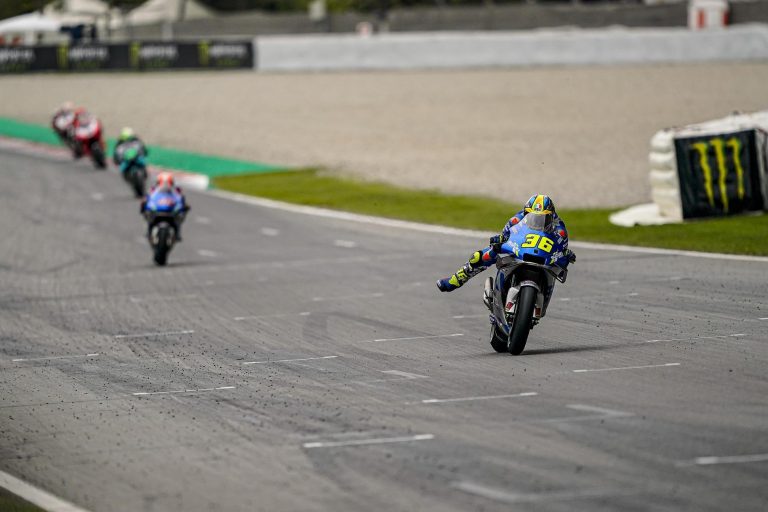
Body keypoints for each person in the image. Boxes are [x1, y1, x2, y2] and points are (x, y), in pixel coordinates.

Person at [437, 194, 575, 292]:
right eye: (532, 216)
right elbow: (505, 236)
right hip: (520, 249)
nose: (537, 221)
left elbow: (562, 250)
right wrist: (499, 241)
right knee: (479, 257)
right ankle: (456, 280)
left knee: (556, 269)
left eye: (543, 218)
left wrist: (566, 255)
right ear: (526, 213)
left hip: (541, 256)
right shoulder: (516, 219)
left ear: (551, 215)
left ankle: (544, 293)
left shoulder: (560, 228)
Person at [140, 172, 190, 241]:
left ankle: (177, 233)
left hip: (170, 209)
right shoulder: (153, 189)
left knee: (179, 217)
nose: (165, 184)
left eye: (168, 182)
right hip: (158, 208)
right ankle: (148, 231)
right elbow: (147, 198)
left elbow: (181, 199)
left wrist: (184, 206)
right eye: (163, 182)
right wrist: (145, 204)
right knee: (149, 216)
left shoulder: (176, 190)